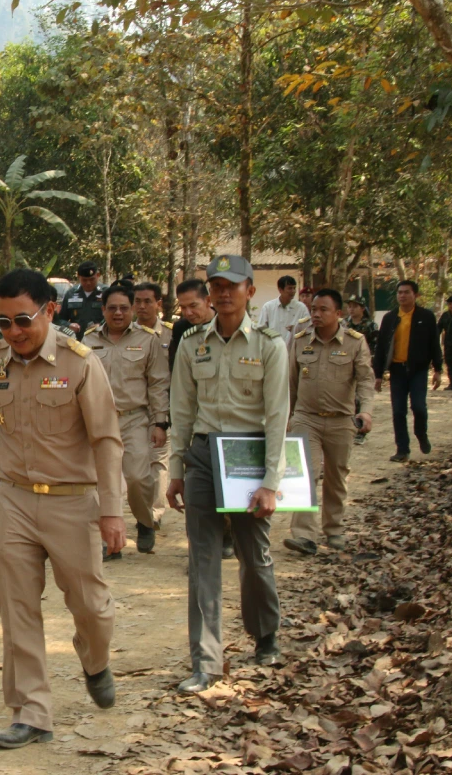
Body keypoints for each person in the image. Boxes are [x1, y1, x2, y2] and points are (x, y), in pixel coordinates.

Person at [0, 269, 124, 749]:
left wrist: (112, 512)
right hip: (15, 500)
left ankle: (94, 658)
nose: (14, 332)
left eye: (23, 320)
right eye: (3, 323)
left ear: (50, 311)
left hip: (72, 502)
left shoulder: (81, 363)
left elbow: (105, 439)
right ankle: (31, 711)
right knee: (17, 609)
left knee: (91, 606)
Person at [167, 254, 288, 693]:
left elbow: (277, 417)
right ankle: (206, 660)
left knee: (254, 556)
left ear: (250, 291)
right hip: (202, 456)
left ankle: (266, 634)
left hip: (247, 459)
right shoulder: (191, 343)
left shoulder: (270, 345)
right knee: (202, 560)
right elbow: (181, 410)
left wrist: (271, 482)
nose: (222, 293)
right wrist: (176, 469)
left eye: (232, 285)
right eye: (215, 285)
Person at [283, 288, 374, 555]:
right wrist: (286, 418)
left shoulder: (355, 342)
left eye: (323, 310)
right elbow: (289, 382)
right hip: (305, 419)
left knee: (336, 477)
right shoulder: (300, 340)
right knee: (303, 475)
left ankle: (333, 530)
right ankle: (304, 535)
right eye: (313, 309)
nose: (316, 314)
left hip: (340, 420)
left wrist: (366, 411)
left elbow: (366, 380)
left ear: (339, 313)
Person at [85, 284, 170, 557]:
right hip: (99, 421)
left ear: (132, 309)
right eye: (112, 308)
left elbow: (158, 383)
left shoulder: (148, 340)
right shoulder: (88, 341)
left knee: (137, 477)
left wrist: (160, 422)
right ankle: (110, 543)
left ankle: (145, 522)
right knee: (101, 482)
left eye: (124, 308)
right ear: (103, 310)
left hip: (135, 419)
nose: (118, 313)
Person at [169, 278, 235, 561]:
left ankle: (228, 534)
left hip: (234, 429)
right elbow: (180, 387)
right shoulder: (185, 333)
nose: (188, 313)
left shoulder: (232, 328)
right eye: (182, 308)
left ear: (208, 301)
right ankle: (200, 553)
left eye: (193, 305)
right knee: (198, 499)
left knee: (230, 498)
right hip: (200, 427)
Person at [373, 280, 444, 462]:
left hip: (418, 370)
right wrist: (378, 374)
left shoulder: (426, 316)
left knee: (418, 407)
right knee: (398, 411)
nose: (402, 296)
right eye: (399, 293)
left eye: (406, 292)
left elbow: (434, 344)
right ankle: (402, 449)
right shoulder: (390, 318)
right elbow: (381, 347)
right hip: (397, 371)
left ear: (416, 295)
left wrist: (438, 369)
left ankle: (421, 434)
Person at [132, 281, 174, 527]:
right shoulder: (127, 334)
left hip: (162, 407)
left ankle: (153, 516)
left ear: (158, 304)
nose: (142, 306)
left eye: (148, 301)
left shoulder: (171, 334)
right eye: (138, 301)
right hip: (134, 408)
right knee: (136, 468)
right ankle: (143, 510)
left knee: (158, 461)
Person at [345, 298, 379, 444]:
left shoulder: (370, 325)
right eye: (349, 306)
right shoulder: (344, 324)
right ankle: (349, 429)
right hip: (345, 363)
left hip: (364, 363)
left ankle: (360, 430)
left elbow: (376, 346)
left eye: (355, 307)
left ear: (362, 309)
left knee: (360, 397)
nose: (351, 309)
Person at [55, 261, 105, 340]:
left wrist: (101, 325)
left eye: (92, 279)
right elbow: (60, 320)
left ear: (98, 275)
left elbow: (114, 317)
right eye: (84, 280)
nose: (88, 283)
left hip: (100, 340)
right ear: (79, 277)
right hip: (77, 341)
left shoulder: (106, 292)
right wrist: (69, 325)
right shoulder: (71, 293)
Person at [255, 275, 309, 341]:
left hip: (294, 348)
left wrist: (297, 328)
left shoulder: (301, 308)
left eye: (294, 288)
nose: (293, 291)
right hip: (273, 349)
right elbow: (261, 330)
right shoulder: (268, 307)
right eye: (289, 288)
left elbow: (309, 329)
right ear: (280, 290)